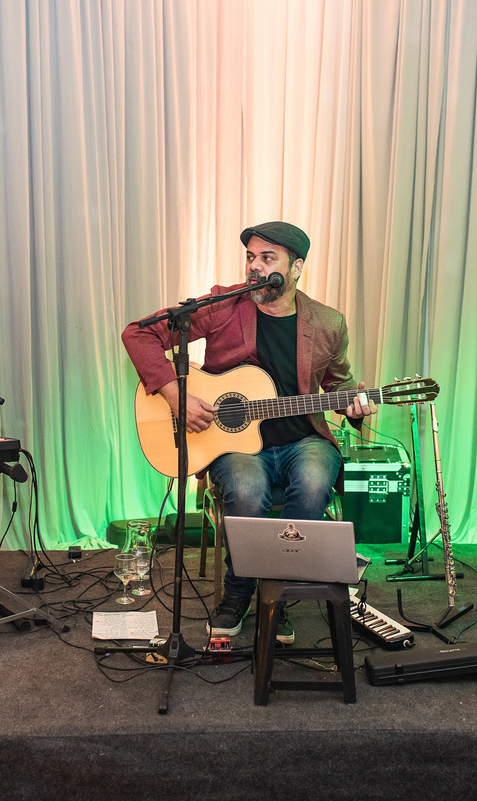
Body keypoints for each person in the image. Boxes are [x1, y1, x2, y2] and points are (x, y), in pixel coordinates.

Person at [122, 221, 377, 644]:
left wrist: (356, 405)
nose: (254, 268)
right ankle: (242, 591)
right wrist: (174, 394)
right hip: (234, 445)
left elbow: (339, 385)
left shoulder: (328, 323)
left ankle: (276, 596)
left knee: (315, 480)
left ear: (296, 268)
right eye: (250, 257)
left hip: (303, 440)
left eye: (267, 258)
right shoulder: (224, 305)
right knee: (244, 487)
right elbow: (139, 333)